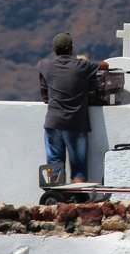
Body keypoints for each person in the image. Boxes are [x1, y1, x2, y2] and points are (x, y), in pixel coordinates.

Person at [38, 32, 109, 183]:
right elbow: (105, 65)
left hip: (53, 123)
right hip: (75, 124)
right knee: (78, 167)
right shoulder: (82, 66)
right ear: (71, 48)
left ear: (55, 50)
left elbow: (40, 65)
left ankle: (56, 200)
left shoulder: (46, 65)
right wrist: (85, 60)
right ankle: (78, 201)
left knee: (54, 164)